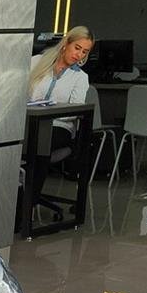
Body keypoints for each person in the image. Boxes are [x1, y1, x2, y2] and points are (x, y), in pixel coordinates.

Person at [28, 26, 94, 189]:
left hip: (60, 125)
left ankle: (29, 198)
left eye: (84, 52)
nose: (79, 54)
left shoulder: (80, 77)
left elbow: (75, 111)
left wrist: (50, 111)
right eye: (77, 48)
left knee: (42, 144)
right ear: (66, 43)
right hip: (30, 121)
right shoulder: (37, 62)